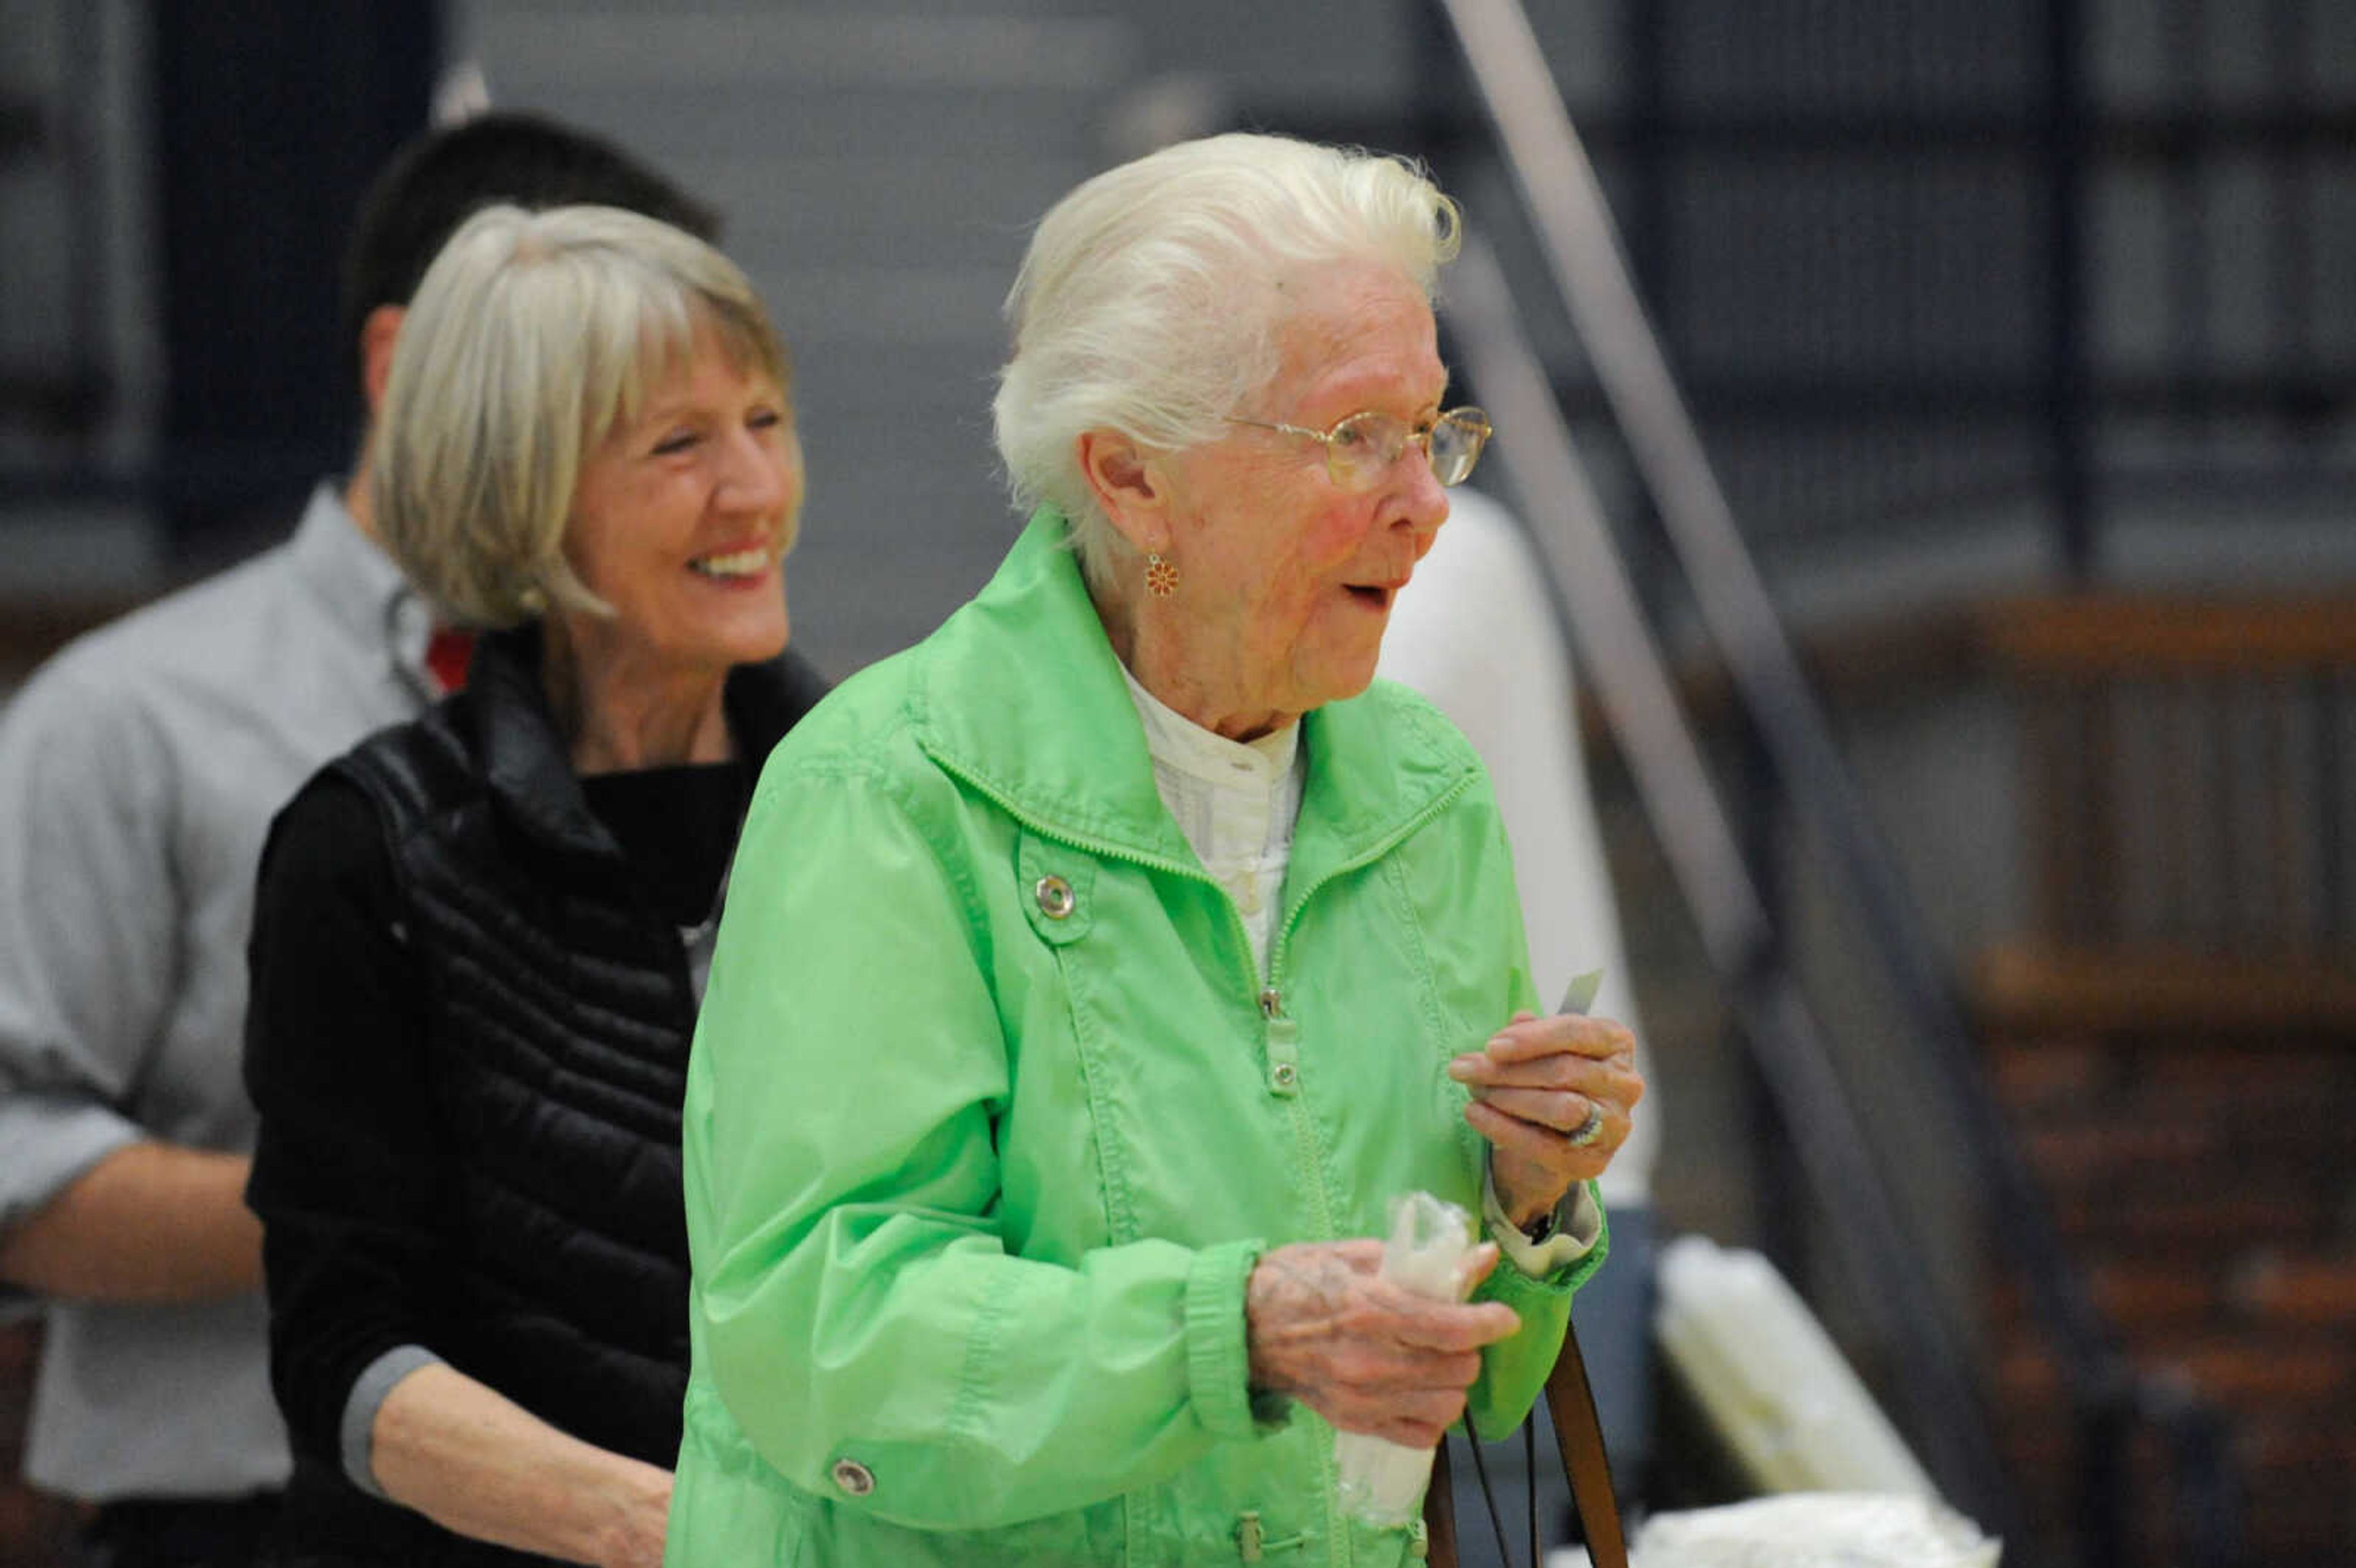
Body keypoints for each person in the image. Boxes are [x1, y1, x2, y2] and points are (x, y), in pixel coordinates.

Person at [666, 132, 1645, 1568]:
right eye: (1352, 437)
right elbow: (826, 1333)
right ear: (1130, 478)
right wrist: (1236, 1331)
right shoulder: (891, 791)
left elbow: (1484, 1382)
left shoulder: (1423, 790)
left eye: (1432, 428)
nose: (1426, 502)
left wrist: (1530, 1194)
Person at [0, 114, 717, 1568]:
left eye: (723, 415)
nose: (713, 475)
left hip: (634, 1512)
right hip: (238, 1519)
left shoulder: (713, 717)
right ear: (406, 370)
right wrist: (431, 1191)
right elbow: (13, 1161)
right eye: (631, 406)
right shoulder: (138, 716)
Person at [237, 202, 828, 1568]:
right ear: (520, 486)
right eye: (679, 444)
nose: (756, 490)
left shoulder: (895, 800)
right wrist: (670, 1533)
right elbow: (341, 1351)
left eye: (767, 420)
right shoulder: (368, 847)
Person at [1377, 486, 1664, 1529]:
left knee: (1513, 1515)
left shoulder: (1442, 548)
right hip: (1479, 1160)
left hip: (1530, 1174)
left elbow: (1330, 737)